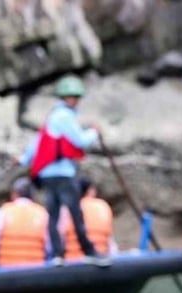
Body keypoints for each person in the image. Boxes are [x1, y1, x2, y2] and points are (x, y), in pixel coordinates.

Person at [22, 74, 109, 266]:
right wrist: (94, 132)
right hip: (63, 174)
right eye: (72, 97)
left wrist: (22, 160)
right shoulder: (65, 116)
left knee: (53, 214)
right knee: (75, 213)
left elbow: (36, 144)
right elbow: (80, 141)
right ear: (64, 98)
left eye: (77, 97)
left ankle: (57, 255)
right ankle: (88, 251)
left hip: (47, 174)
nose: (75, 100)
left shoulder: (52, 117)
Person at [0, 178, 49, 268]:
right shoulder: (42, 213)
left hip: (6, 268)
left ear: (15, 193)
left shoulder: (3, 211)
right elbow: (49, 246)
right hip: (35, 268)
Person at [59, 173, 118, 260]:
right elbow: (110, 242)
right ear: (90, 190)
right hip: (101, 261)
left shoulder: (66, 209)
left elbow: (59, 239)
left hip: (72, 262)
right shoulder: (103, 206)